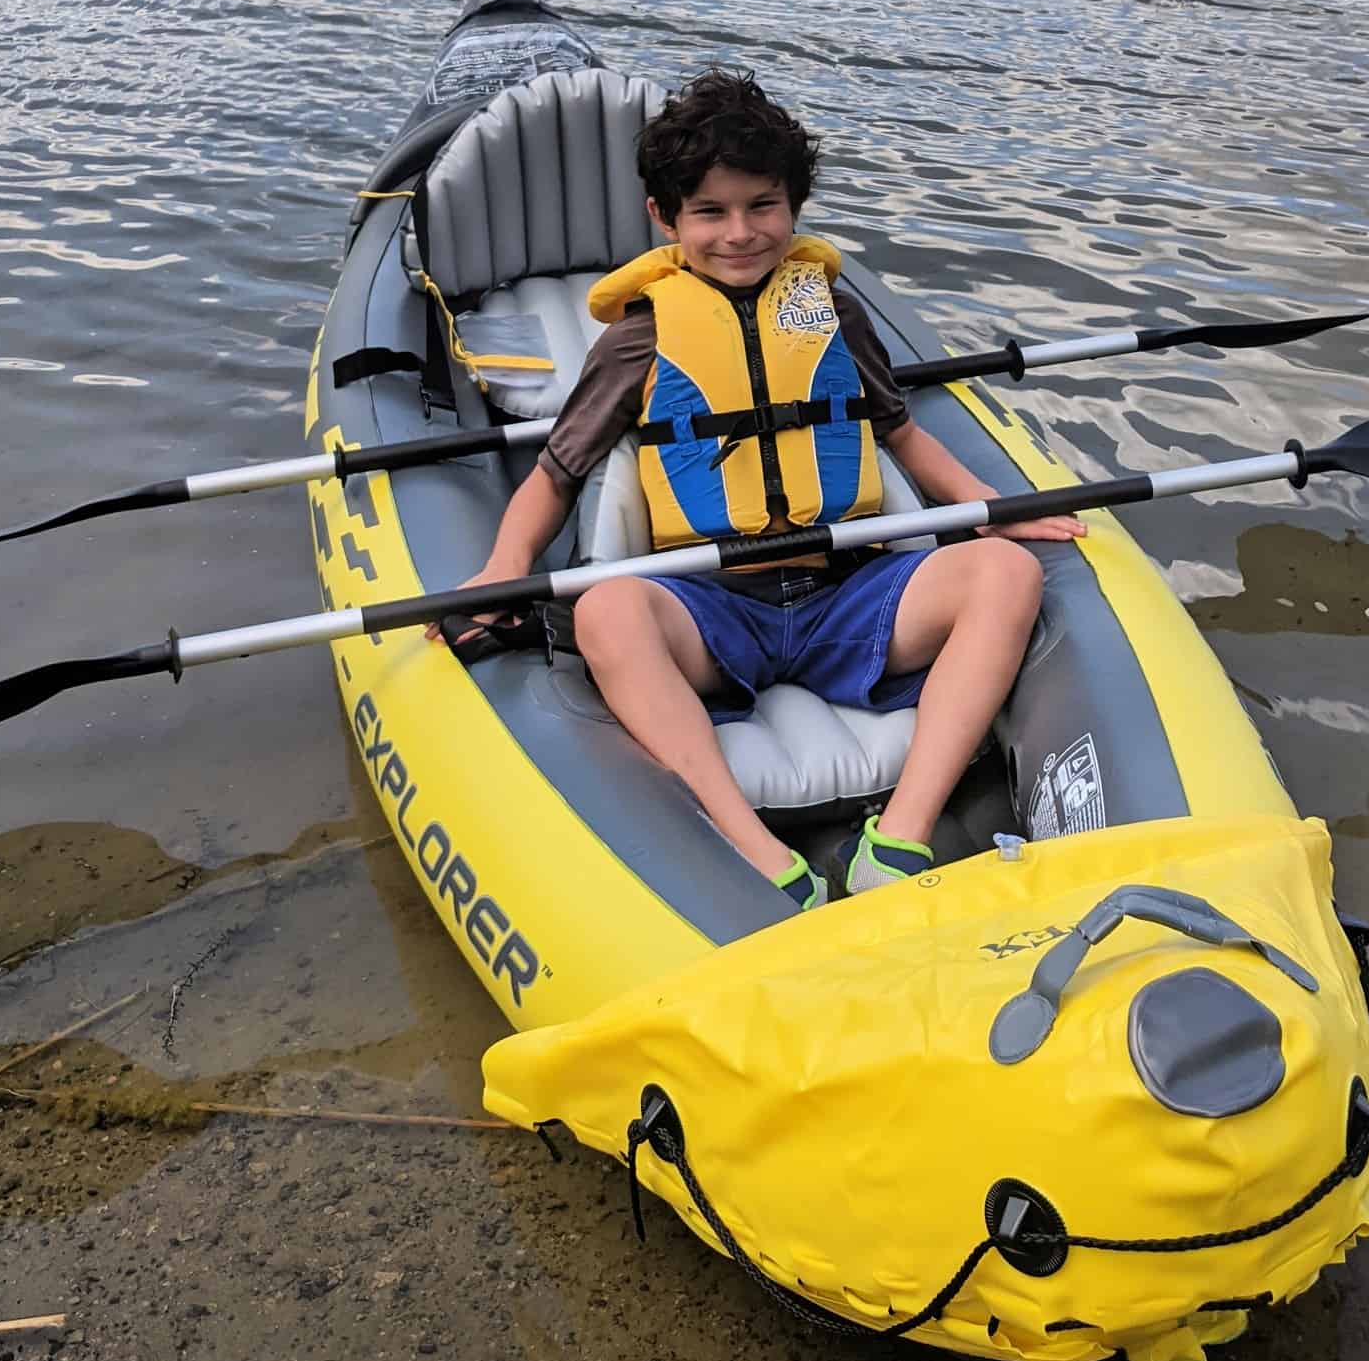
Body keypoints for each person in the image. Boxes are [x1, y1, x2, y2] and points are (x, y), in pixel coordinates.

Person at [428, 69, 1084, 907]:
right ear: (665, 219)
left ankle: (901, 839)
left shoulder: (833, 314)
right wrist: (503, 566)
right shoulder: (640, 339)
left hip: (848, 593)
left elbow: (904, 437)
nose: (739, 233)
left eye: (762, 207)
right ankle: (754, 846)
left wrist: (1000, 511)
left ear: (793, 207)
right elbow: (557, 475)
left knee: (1008, 574)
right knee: (604, 611)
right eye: (710, 211)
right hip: (714, 610)